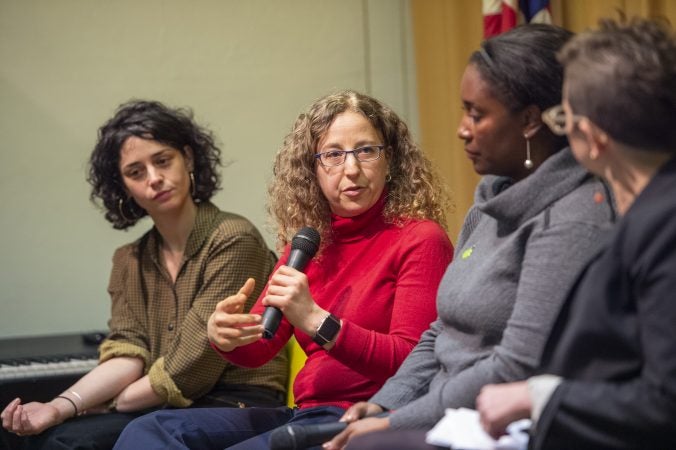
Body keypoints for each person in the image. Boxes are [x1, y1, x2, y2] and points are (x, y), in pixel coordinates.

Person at [325, 24, 617, 450]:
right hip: (436, 410)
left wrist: (395, 424)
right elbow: (441, 330)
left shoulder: (573, 219)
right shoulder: (489, 202)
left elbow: (516, 365)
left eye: (477, 114)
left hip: (507, 424)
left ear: (531, 121)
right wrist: (386, 404)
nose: (462, 129)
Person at [111, 90, 455, 449]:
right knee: (148, 431)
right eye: (333, 155)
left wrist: (319, 322)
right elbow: (261, 346)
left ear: (391, 160)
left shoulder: (420, 239)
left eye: (366, 151)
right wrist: (225, 336)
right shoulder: (307, 245)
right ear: (312, 171)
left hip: (368, 416)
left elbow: (413, 363)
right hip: (305, 412)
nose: (351, 169)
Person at [0, 100, 288, 450]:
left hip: (238, 402)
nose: (154, 179)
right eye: (136, 172)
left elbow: (194, 363)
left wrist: (101, 404)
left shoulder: (233, 238)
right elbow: (128, 352)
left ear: (188, 158)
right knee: (38, 436)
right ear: (124, 187)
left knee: (72, 441)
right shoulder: (130, 259)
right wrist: (60, 406)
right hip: (164, 404)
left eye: (163, 161)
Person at [476, 17, 676, 449]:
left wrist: (536, 396)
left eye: (563, 117)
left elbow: (666, 403)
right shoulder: (648, 211)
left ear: (591, 137)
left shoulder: (665, 228)